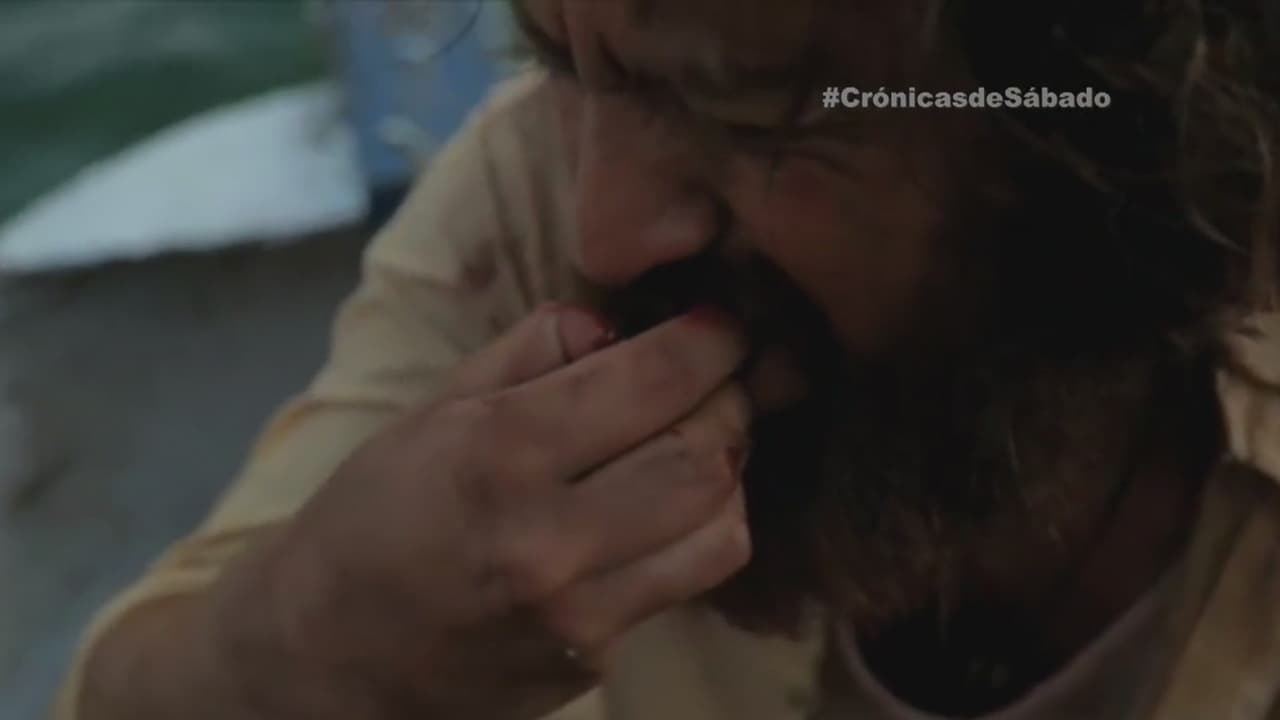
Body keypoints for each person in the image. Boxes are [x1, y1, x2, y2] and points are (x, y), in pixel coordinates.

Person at [57, 1, 1280, 718]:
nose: (599, 233)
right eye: (557, 59)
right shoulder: (525, 192)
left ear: (1096, 125)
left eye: (748, 111)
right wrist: (320, 636)